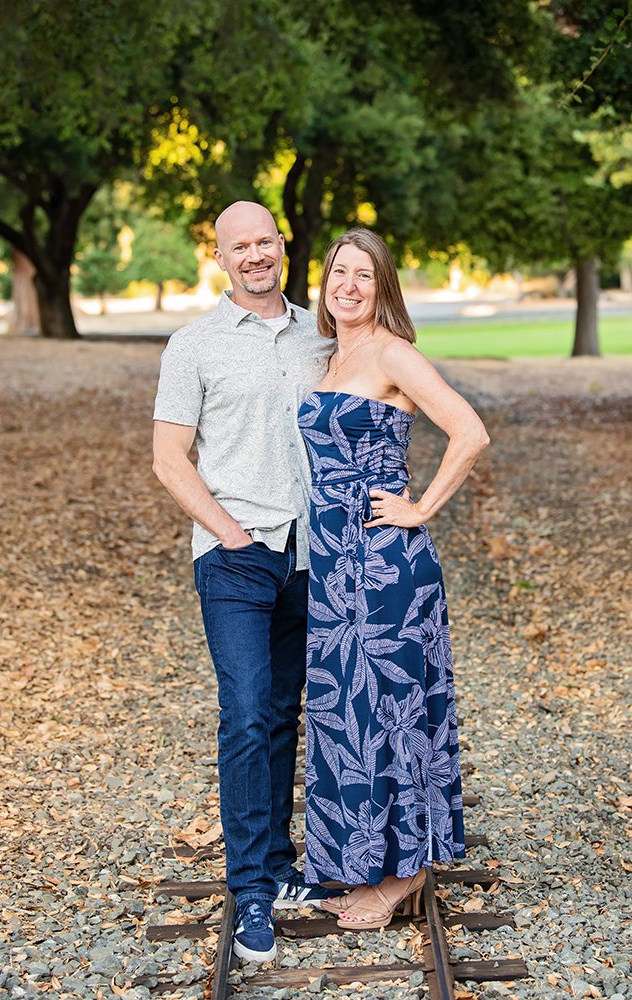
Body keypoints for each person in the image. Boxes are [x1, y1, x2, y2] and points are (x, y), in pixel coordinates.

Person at [152, 202, 333, 962]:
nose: (255, 255)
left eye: (264, 241)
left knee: (285, 712)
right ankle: (252, 889)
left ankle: (282, 867)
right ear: (219, 256)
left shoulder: (320, 338)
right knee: (247, 711)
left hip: (308, 555)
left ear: (281, 246)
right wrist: (230, 531)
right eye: (239, 246)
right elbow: (169, 459)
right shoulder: (192, 345)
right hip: (233, 556)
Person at [297, 229, 489, 929]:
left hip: (384, 571)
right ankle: (363, 863)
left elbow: (468, 432)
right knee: (347, 717)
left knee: (392, 714)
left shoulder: (391, 353)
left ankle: (404, 876)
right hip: (334, 568)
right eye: (338, 272)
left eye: (363, 276)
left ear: (382, 289)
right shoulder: (332, 355)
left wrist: (418, 509)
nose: (347, 285)